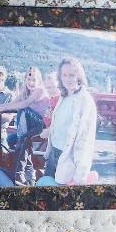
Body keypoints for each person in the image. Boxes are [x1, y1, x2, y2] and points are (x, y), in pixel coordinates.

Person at [36, 57, 98, 186]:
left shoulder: (84, 101)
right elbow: (60, 123)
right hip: (54, 153)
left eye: (72, 75)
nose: (68, 79)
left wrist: (80, 176)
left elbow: (85, 141)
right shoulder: (63, 96)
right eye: (64, 75)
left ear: (79, 76)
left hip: (69, 159)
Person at [0, 67, 52, 149]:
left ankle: (22, 138)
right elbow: (10, 104)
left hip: (40, 126)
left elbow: (25, 103)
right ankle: (20, 144)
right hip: (29, 128)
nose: (31, 82)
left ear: (39, 81)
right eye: (29, 79)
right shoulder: (25, 92)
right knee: (9, 140)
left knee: (23, 109)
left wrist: (1, 110)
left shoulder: (39, 90)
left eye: (34, 80)